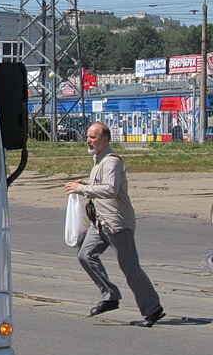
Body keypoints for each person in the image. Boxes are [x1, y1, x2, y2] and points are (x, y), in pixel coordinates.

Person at [64, 122, 166, 327]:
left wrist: (82, 189)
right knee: (85, 255)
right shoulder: (99, 160)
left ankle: (153, 309)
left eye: (93, 137)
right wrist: (85, 185)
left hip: (117, 223)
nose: (89, 140)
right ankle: (110, 296)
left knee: (130, 268)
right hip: (100, 223)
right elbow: (100, 186)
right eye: (88, 136)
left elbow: (110, 190)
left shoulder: (112, 162)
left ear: (105, 140)